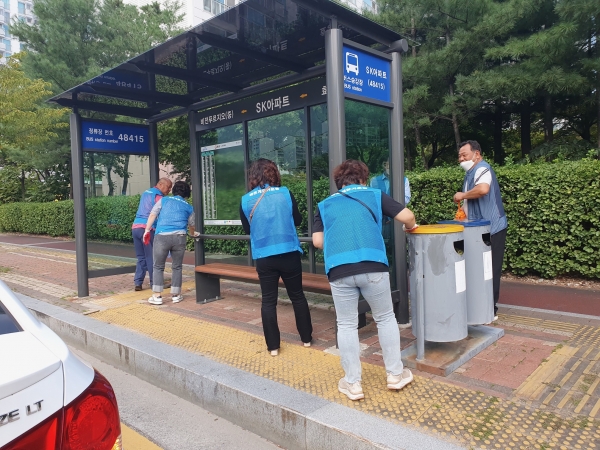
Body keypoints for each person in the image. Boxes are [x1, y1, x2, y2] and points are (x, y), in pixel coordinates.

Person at [312, 160, 418, 401]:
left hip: (339, 269)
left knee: (346, 324)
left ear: (338, 182)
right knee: (385, 318)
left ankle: (353, 384)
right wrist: (410, 227)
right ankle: (395, 375)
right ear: (363, 179)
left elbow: (318, 242)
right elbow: (408, 216)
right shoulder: (374, 195)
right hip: (373, 265)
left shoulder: (325, 205)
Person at [240, 159, 313, 357]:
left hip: (264, 256)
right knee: (297, 296)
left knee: (268, 301)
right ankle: (306, 338)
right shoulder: (285, 193)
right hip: (289, 252)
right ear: (274, 173)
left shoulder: (245, 200)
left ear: (253, 176)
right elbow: (297, 220)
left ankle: (273, 347)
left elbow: (247, 229)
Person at [453, 140, 508, 321]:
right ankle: (480, 307)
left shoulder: (482, 168)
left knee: (489, 269)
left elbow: (483, 189)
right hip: (478, 230)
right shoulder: (469, 174)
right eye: (459, 156)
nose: (461, 159)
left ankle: (490, 310)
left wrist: (462, 195)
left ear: (476, 154)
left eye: (464, 155)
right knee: (479, 268)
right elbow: (470, 202)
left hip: (492, 229)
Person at [144, 181, 198, 305]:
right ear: (187, 193)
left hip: (162, 236)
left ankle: (157, 296)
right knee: (177, 266)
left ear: (174, 191)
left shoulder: (164, 200)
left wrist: (147, 230)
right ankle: (176, 295)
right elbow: (192, 225)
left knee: (158, 266)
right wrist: (192, 233)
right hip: (180, 237)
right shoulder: (189, 207)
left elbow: (153, 214)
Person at [131, 178, 172, 291]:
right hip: (147, 229)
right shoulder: (158, 197)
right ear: (161, 184)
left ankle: (138, 282)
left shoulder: (146, 192)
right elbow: (163, 214)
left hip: (136, 228)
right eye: (168, 187)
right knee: (151, 257)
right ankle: (155, 283)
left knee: (141, 257)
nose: (169, 190)